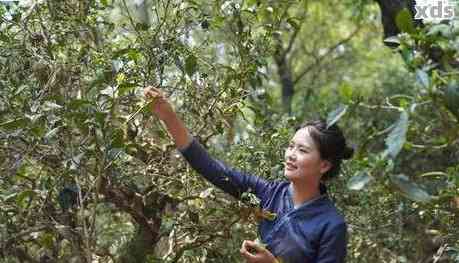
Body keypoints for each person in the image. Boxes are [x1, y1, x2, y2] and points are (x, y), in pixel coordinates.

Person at [144, 86, 354, 263]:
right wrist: (168, 115)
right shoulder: (269, 193)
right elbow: (211, 168)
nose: (291, 155)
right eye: (291, 146)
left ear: (324, 165)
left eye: (302, 150)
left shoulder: (331, 225)